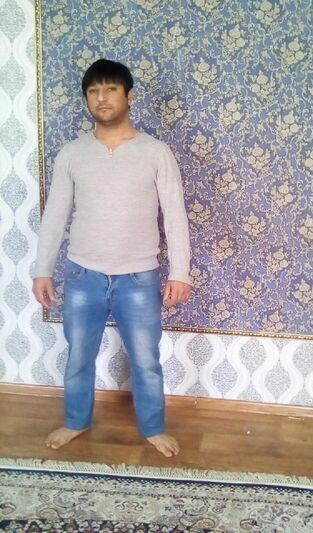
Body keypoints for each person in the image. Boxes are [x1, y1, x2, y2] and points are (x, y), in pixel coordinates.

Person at [32, 58, 191, 458]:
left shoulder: (156, 152)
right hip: (82, 275)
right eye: (93, 91)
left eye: (110, 89)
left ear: (129, 96)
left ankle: (153, 428)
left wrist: (181, 273)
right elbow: (55, 215)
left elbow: (175, 215)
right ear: (87, 98)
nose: (101, 98)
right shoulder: (72, 154)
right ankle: (76, 421)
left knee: (146, 360)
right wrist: (42, 269)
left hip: (138, 277)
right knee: (78, 357)